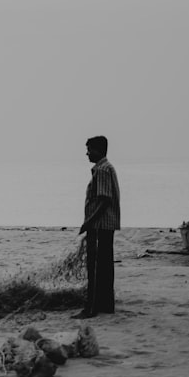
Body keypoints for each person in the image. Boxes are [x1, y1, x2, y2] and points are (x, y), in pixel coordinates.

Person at [73, 136, 121, 319]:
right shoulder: (107, 168)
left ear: (99, 150)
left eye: (89, 149)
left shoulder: (102, 170)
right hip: (106, 225)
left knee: (95, 268)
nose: (87, 153)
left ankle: (91, 308)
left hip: (100, 226)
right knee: (105, 267)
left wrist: (88, 222)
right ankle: (106, 305)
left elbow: (104, 200)